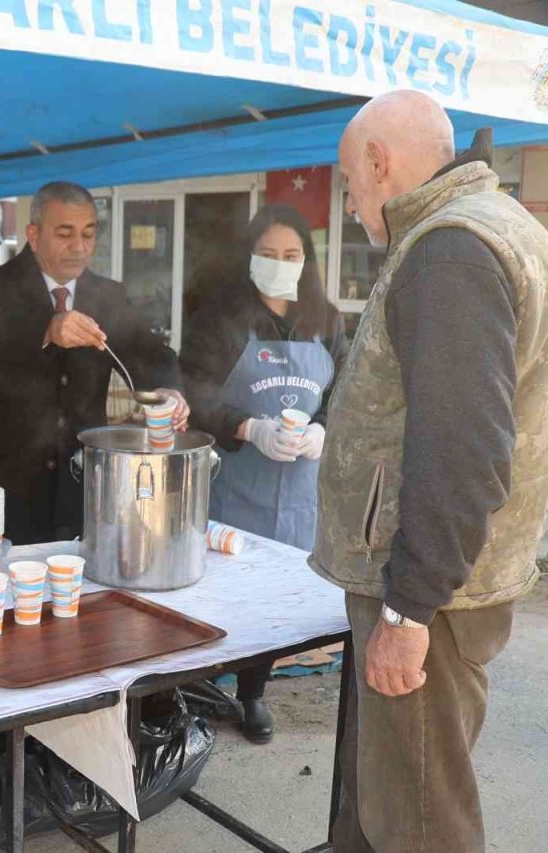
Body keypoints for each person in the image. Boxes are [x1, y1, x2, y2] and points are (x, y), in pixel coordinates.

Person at [315, 91, 548, 853]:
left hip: (431, 594)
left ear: (380, 161)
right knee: (389, 798)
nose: (351, 204)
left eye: (351, 181)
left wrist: (407, 614)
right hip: (453, 579)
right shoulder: (496, 225)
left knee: (419, 819)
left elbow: (464, 450)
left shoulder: (448, 247)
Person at [180, 204, 349, 744]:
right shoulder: (218, 319)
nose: (280, 264)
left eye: (291, 255)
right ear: (249, 258)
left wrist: (322, 430)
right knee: (215, 594)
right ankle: (192, 692)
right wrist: (250, 428)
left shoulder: (328, 321)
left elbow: (346, 395)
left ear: (307, 260)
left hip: (298, 496)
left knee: (275, 601)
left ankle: (252, 693)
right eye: (268, 254)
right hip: (232, 489)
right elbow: (198, 401)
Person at [0, 180, 187, 546]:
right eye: (65, 233)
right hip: (5, 491)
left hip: (82, 490)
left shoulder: (107, 295)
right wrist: (45, 329)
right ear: (34, 234)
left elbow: (148, 353)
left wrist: (168, 388)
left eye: (88, 234)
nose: (79, 247)